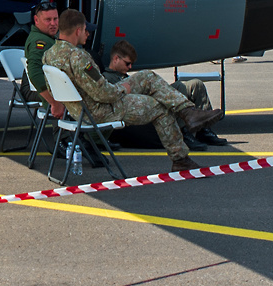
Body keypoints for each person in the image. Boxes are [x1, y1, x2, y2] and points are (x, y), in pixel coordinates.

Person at [42, 9, 211, 172]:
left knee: (146, 76)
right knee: (160, 108)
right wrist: (123, 89)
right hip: (100, 110)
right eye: (85, 30)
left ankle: (187, 111)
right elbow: (103, 94)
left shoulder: (49, 55)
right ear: (78, 30)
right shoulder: (78, 57)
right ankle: (180, 158)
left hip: (80, 110)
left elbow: (53, 89)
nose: (87, 34)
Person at [104, 40, 227, 146]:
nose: (130, 67)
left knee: (196, 85)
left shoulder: (124, 75)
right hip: (143, 110)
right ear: (116, 59)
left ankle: (203, 130)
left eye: (132, 64)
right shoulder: (108, 79)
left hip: (149, 100)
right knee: (179, 86)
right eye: (127, 63)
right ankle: (183, 131)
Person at [24, 2, 62, 117]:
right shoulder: (40, 42)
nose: (53, 24)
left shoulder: (46, 37)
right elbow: (35, 73)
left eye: (55, 19)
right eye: (48, 20)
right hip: (40, 91)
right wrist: (54, 102)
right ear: (36, 20)